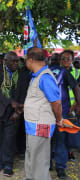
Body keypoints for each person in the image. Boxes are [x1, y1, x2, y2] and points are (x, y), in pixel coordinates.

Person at [24, 47, 64, 180]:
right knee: (31, 156)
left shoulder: (45, 77)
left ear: (30, 60)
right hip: (33, 125)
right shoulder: (36, 76)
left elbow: (56, 103)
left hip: (40, 125)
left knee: (40, 160)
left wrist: (59, 119)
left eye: (25, 60)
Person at [0, 51, 22, 177]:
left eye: (16, 61)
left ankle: (8, 164)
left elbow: (23, 93)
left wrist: (18, 111)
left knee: (9, 140)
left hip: (14, 113)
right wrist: (10, 102)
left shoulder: (22, 74)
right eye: (13, 61)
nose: (15, 63)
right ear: (5, 61)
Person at [51, 50, 80, 179]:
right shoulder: (50, 71)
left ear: (72, 60)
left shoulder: (68, 73)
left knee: (61, 140)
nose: (65, 61)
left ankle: (60, 167)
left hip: (64, 112)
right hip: (47, 113)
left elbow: (76, 88)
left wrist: (78, 104)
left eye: (68, 59)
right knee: (50, 139)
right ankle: (48, 163)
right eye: (63, 59)